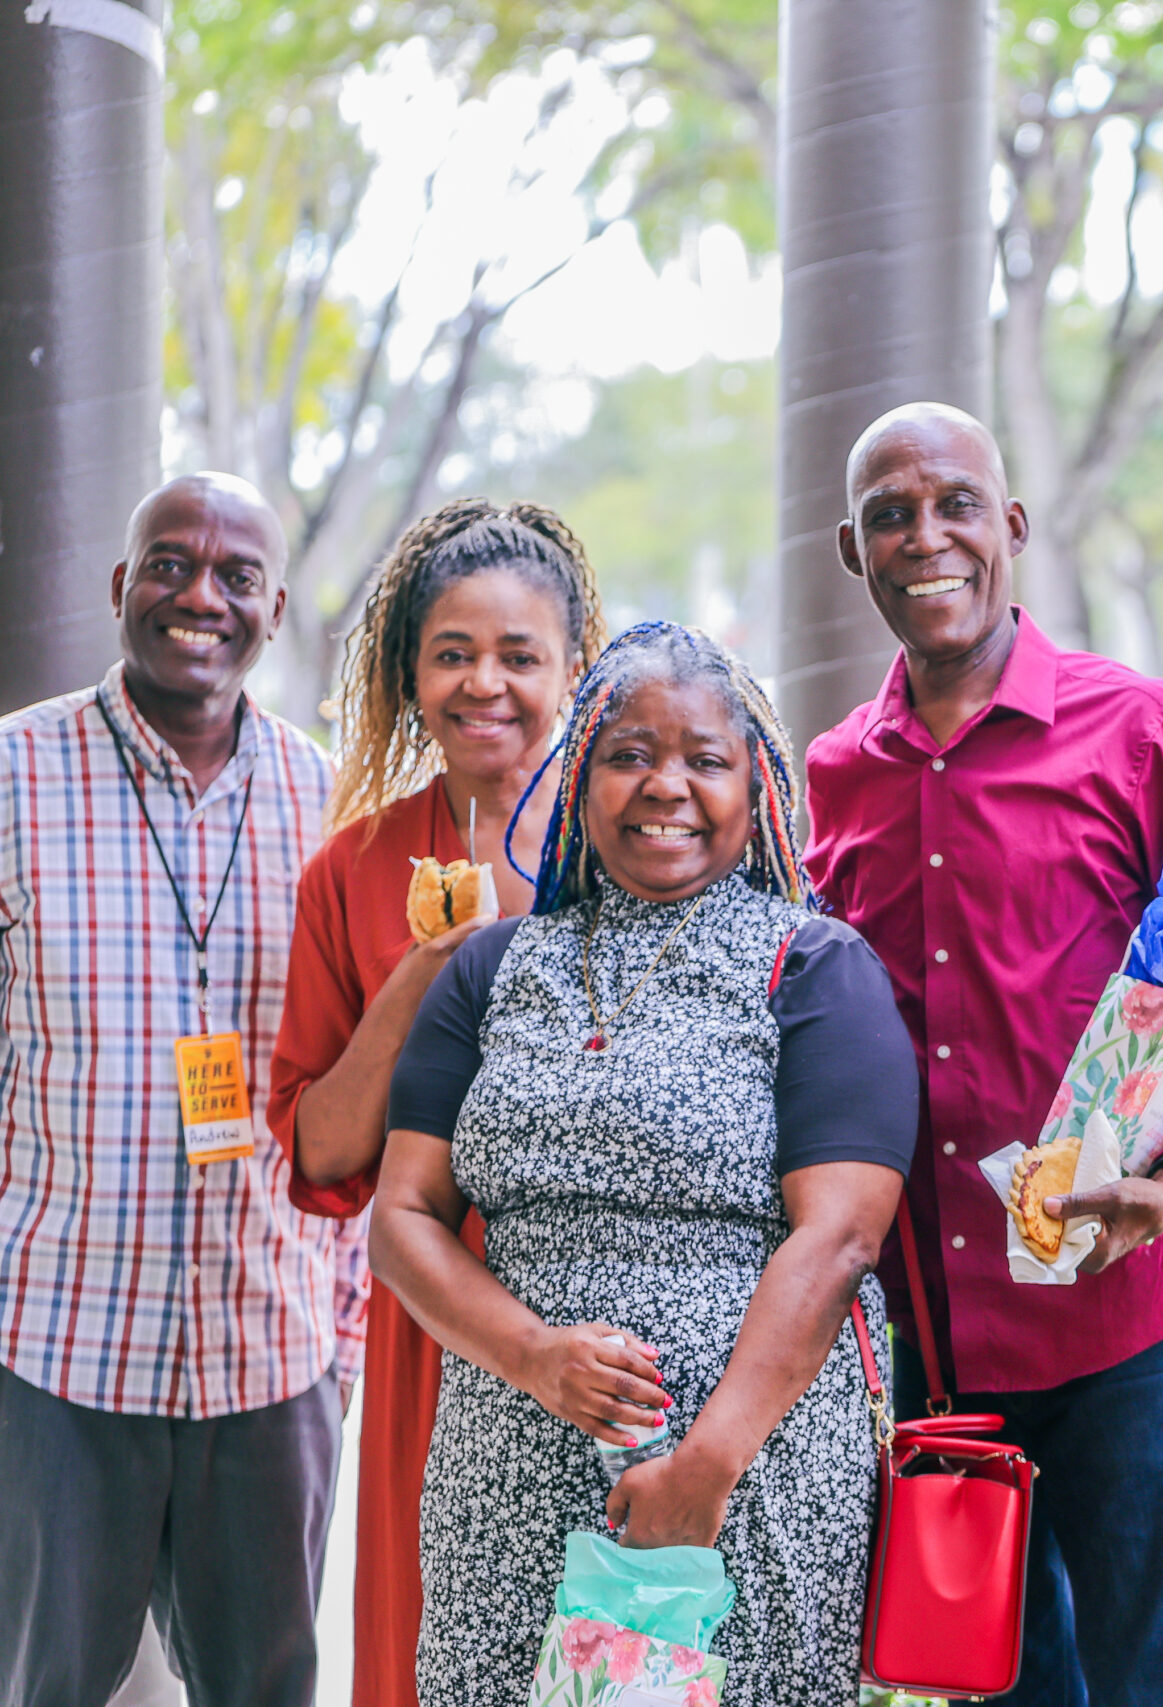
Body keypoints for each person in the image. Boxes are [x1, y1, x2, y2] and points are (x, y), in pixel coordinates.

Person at [803, 403, 1163, 1707]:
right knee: (986, 1682)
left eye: (955, 502)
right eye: (891, 514)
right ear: (854, 549)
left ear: (1009, 524)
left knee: (1154, 1673)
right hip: (932, 1334)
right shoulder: (836, 773)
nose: (926, 534)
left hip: (1128, 1326)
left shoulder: (1140, 731)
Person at [370, 623, 917, 1705]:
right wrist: (532, 1355)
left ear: (754, 790)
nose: (665, 787)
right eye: (628, 755)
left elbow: (842, 1232)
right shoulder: (491, 968)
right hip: (508, 1464)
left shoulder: (812, 965)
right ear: (580, 781)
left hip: (745, 1470)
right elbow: (402, 1218)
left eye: (705, 760)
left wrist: (703, 1471)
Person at [0, 474, 354, 1706]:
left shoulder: (330, 807)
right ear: (120, 588)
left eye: (236, 576)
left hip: (271, 1367)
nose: (199, 595)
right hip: (57, 1360)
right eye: (168, 563)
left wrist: (338, 1345)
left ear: (272, 609)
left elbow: (353, 1094)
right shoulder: (11, 779)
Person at [268, 499, 603, 1707]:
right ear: (410, 675)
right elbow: (319, 1151)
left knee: (614, 1646)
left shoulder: (641, 842)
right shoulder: (351, 867)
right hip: (433, 1318)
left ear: (575, 670)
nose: (486, 685)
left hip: (610, 1309)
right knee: (428, 1653)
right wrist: (419, 976)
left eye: (521, 656)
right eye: (452, 653)